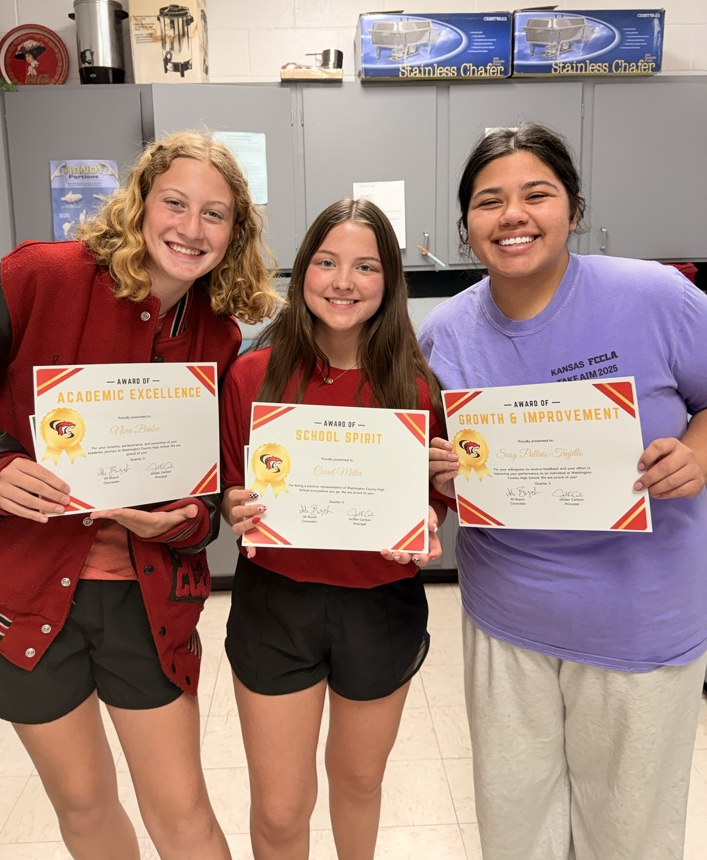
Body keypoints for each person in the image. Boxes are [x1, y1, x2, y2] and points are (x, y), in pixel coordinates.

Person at [0, 130, 278, 860]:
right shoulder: (39, 277)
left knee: (182, 811)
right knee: (83, 804)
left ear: (235, 234)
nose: (190, 229)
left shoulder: (219, 336)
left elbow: (207, 498)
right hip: (25, 595)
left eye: (214, 215)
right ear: (139, 203)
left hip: (143, 600)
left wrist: (180, 519)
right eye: (175, 202)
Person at [419, 122, 707, 860]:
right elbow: (433, 460)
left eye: (535, 194)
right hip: (507, 621)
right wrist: (437, 470)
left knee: (631, 833)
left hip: (640, 624)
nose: (512, 215)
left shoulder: (653, 295)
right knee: (517, 830)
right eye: (489, 201)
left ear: (573, 209)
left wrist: (699, 452)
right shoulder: (446, 332)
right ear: (467, 226)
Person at [220, 198, 445, 860]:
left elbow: (437, 496)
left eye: (366, 267)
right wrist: (232, 507)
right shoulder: (250, 378)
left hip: (380, 604)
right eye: (327, 262)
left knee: (358, 783)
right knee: (282, 808)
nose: (344, 282)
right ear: (303, 270)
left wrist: (429, 517)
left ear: (390, 280)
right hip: (276, 603)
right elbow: (228, 490)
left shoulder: (416, 385)